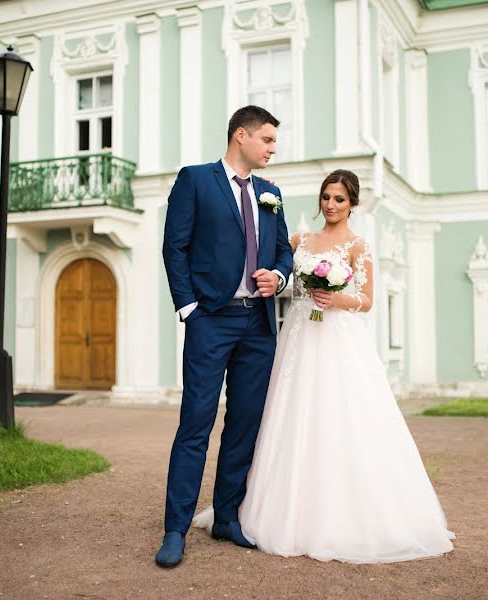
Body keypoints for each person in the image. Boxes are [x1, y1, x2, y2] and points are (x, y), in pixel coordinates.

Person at [193, 169, 455, 563]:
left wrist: (338, 300)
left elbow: (367, 300)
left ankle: (340, 514)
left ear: (353, 204)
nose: (331, 206)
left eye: (340, 200)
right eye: (326, 198)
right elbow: (281, 279)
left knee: (339, 417)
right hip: (298, 335)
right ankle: (271, 507)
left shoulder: (358, 246)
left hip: (336, 340)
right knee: (288, 414)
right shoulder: (300, 240)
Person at [157, 105, 294, 568]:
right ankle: (175, 529)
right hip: (210, 320)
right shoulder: (195, 180)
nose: (274, 148)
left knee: (245, 422)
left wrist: (277, 275)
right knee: (196, 422)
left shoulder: (272, 192)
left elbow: (282, 252)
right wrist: (189, 308)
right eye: (269, 140)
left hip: (258, 324)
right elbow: (174, 245)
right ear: (242, 135)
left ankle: (227, 516)